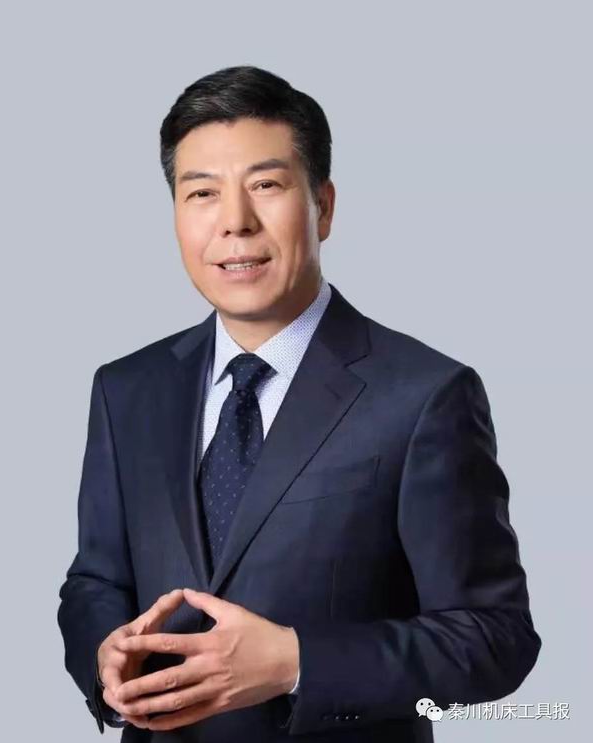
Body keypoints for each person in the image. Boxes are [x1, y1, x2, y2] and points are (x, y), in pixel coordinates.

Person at [57, 65, 541, 742]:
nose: (235, 223)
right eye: (202, 193)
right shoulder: (126, 388)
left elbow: (494, 637)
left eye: (266, 185)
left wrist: (296, 661)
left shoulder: (424, 395)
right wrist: (104, 655)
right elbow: (95, 580)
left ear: (324, 206)